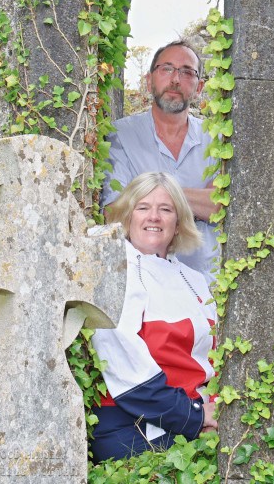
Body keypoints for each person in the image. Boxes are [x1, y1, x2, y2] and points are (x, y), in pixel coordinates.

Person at [90, 172, 217, 462]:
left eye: (166, 209)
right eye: (143, 207)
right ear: (127, 216)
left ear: (178, 222)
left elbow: (213, 359)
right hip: (132, 425)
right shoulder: (114, 269)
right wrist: (195, 418)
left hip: (195, 411)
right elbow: (126, 373)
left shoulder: (193, 279)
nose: (154, 217)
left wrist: (217, 411)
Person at [102, 40, 218, 281]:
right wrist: (196, 204)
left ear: (199, 87)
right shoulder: (120, 136)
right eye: (166, 69)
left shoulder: (217, 139)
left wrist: (144, 201)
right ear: (149, 80)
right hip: (143, 283)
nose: (175, 79)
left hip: (209, 286)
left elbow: (221, 207)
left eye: (187, 72)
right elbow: (113, 212)